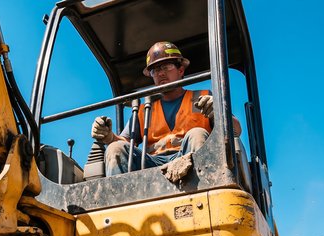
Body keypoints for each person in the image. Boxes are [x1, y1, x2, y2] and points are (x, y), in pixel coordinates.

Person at [92, 41, 241, 176]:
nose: (161, 73)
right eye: (155, 70)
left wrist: (220, 114)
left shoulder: (202, 98)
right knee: (115, 148)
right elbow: (124, 142)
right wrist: (109, 137)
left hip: (190, 162)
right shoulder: (144, 111)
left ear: (181, 70)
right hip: (152, 166)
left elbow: (235, 131)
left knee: (196, 134)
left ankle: (204, 191)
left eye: (166, 66)